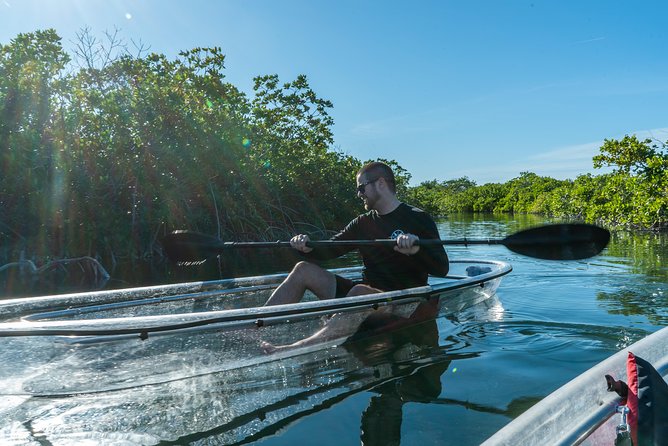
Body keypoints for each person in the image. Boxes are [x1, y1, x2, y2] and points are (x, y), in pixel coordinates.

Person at [261, 161, 449, 351]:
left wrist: (416, 250)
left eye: (361, 187)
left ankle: (294, 349)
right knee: (303, 269)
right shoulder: (362, 223)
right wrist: (306, 245)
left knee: (360, 293)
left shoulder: (418, 217)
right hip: (365, 297)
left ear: (381, 184)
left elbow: (442, 269)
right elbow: (331, 248)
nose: (359, 194)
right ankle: (251, 326)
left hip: (402, 304)